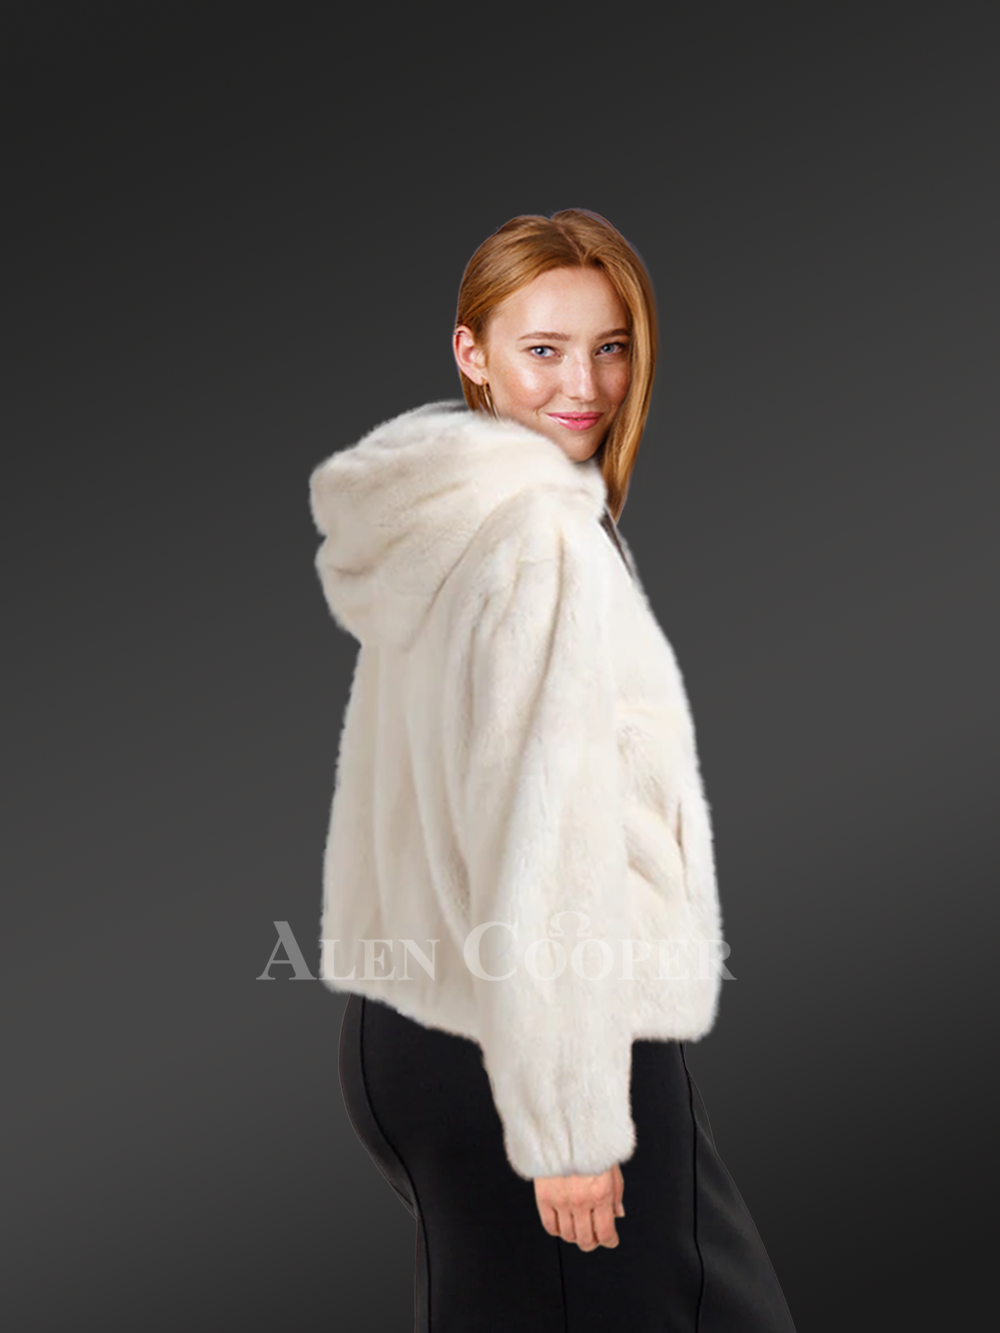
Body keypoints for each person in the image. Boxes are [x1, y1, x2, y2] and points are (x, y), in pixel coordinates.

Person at [309, 209, 797, 1331]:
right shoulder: (535, 541)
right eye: (544, 349)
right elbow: (540, 833)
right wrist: (571, 1123)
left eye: (610, 347)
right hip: (541, 1036)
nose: (585, 384)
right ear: (471, 353)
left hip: (425, 1026)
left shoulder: (455, 519)